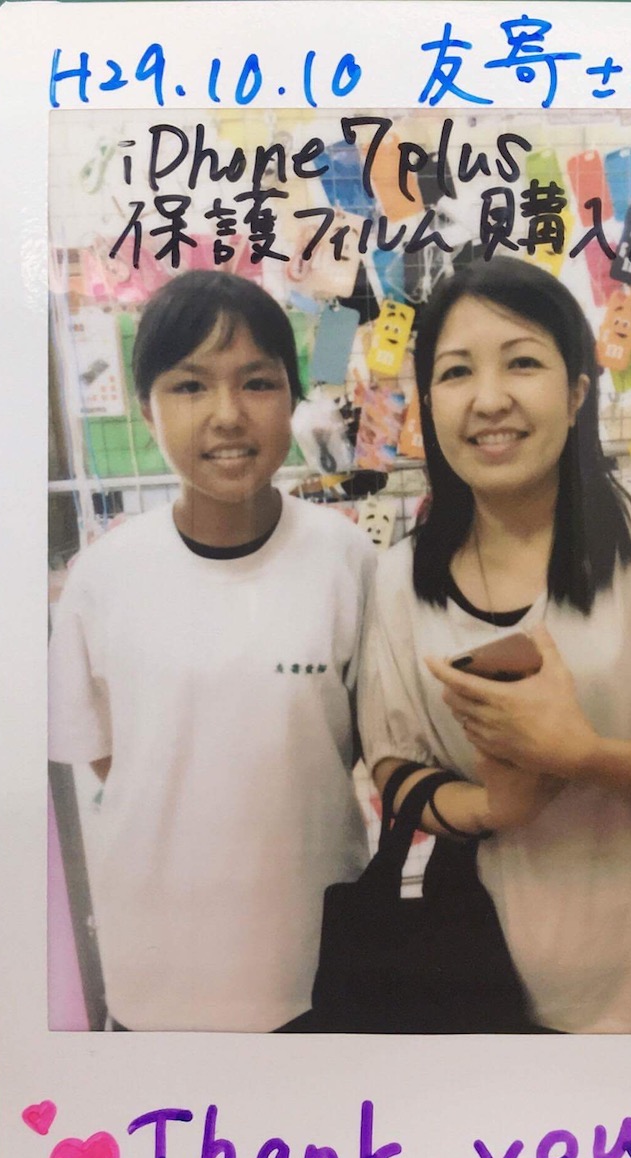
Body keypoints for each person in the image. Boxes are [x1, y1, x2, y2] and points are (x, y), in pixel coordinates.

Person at [358, 259, 631, 1035]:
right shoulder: (400, 580)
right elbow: (395, 765)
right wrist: (493, 807)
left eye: (522, 362)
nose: (489, 399)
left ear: (577, 394)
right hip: (494, 991)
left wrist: (583, 756)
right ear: (429, 403)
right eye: (456, 372)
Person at [49, 270, 375, 1032]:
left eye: (258, 383)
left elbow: (366, 744)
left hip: (316, 973)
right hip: (158, 982)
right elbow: (111, 757)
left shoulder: (347, 561)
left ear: (292, 398)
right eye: (190, 386)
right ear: (147, 410)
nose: (228, 415)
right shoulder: (101, 579)